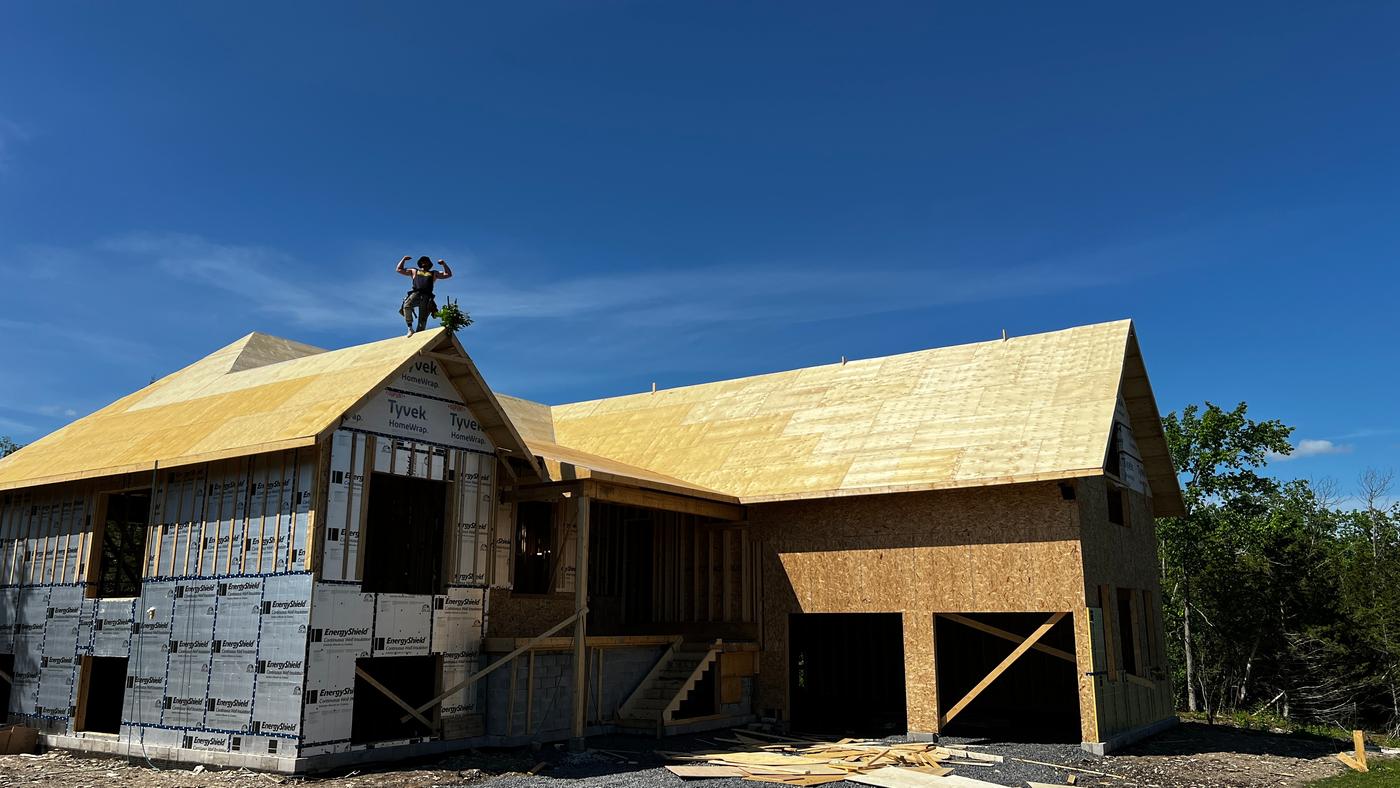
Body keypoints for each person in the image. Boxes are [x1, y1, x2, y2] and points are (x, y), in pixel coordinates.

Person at [396, 255, 453, 336]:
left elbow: (448, 274)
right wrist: (404, 259)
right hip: (416, 293)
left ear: (429, 264)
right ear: (420, 263)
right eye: (423, 261)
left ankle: (419, 334)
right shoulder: (414, 271)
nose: (424, 263)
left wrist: (443, 264)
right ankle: (410, 328)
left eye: (426, 261)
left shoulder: (433, 273)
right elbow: (399, 269)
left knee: (423, 318)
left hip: (427, 296)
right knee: (406, 306)